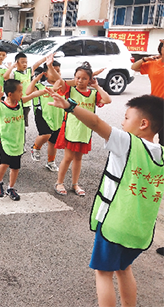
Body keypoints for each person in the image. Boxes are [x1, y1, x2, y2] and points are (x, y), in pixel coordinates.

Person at [46, 92, 164, 307]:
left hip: (115, 224)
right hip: (140, 230)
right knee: (124, 268)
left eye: (127, 117)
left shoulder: (128, 142)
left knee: (103, 273)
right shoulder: (161, 154)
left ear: (143, 123)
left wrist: (70, 106)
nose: (122, 122)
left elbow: (97, 122)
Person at [54, 62, 111, 196]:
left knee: (78, 159)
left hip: (85, 131)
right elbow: (62, 82)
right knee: (68, 157)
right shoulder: (70, 90)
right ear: (74, 77)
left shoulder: (93, 93)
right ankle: (59, 182)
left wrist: (97, 86)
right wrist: (51, 66)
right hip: (71, 129)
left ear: (90, 80)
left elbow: (107, 100)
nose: (80, 81)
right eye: (78, 77)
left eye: (84, 78)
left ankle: (75, 184)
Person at [0, 79, 41, 201]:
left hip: (18, 141)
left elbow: (34, 94)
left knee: (15, 167)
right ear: (10, 94)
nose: (22, 94)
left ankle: (11, 188)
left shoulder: (21, 103)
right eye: (19, 91)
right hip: (5, 141)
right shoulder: (1, 106)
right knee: (4, 164)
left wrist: (49, 91)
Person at [131, 40, 164, 257]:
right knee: (151, 142)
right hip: (155, 109)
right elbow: (133, 67)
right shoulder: (153, 64)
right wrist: (147, 58)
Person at [26, 57, 63, 171]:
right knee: (46, 134)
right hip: (42, 114)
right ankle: (35, 147)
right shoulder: (41, 85)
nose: (57, 73)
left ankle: (51, 162)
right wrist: (34, 80)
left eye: (58, 70)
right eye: (54, 70)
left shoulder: (62, 86)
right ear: (46, 74)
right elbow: (28, 92)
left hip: (58, 116)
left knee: (53, 142)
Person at [4, 52, 48, 128]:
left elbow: (37, 64)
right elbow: (5, 76)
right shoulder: (14, 74)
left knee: (23, 123)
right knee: (16, 122)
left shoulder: (28, 71)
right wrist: (11, 67)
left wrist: (46, 58)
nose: (25, 64)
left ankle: (22, 136)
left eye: (26, 62)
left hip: (27, 103)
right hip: (17, 102)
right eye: (22, 62)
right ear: (17, 63)